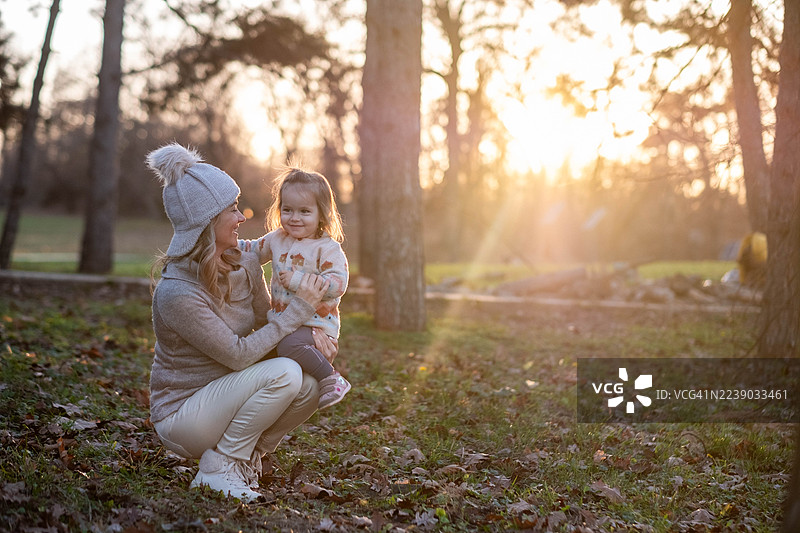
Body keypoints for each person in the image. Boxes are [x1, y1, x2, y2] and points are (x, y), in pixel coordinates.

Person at [146, 143, 337, 502]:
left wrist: (313, 338)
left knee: (310, 383)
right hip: (183, 417)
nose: (241, 217)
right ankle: (218, 469)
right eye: (232, 209)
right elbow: (238, 355)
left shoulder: (244, 262)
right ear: (208, 221)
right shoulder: (177, 292)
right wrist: (299, 310)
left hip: (229, 395)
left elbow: (269, 323)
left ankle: (246, 457)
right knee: (285, 373)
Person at [239, 167, 351, 409]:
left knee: (289, 345)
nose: (294, 218)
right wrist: (226, 244)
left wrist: (299, 281)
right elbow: (253, 250)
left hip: (315, 326)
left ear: (322, 214)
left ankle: (331, 378)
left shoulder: (327, 248)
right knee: (261, 354)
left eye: (304, 211)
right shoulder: (277, 239)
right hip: (283, 322)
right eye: (287, 209)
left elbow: (338, 284)